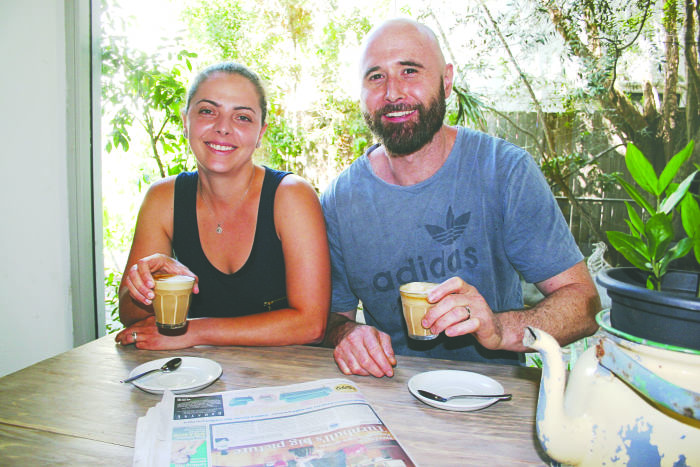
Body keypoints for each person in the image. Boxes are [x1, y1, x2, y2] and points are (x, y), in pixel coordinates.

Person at [321, 18, 601, 377]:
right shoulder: (339, 200)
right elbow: (330, 318)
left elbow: (584, 304)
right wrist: (347, 333)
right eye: (376, 77)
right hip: (389, 393)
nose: (392, 93)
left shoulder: (504, 170)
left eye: (409, 71)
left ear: (447, 79)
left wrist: (500, 330)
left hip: (496, 398)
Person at [115, 62, 330, 350]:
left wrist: (195, 332)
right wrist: (154, 284)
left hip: (288, 380)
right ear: (185, 121)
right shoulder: (163, 198)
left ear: (260, 133)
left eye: (242, 117)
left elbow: (311, 325)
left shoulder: (290, 196)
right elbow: (131, 317)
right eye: (207, 111)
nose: (223, 128)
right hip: (198, 377)